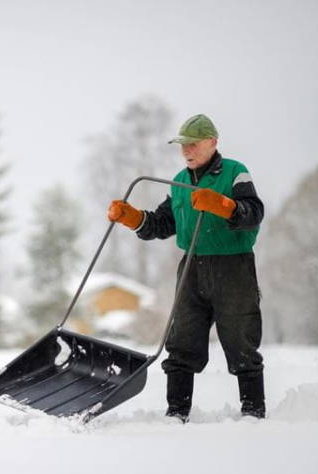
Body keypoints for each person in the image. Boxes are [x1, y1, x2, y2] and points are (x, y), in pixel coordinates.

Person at [107, 114, 265, 423]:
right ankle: (176, 413)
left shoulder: (235, 173)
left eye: (193, 144)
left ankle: (253, 411)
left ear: (212, 142)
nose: (187, 151)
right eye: (183, 146)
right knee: (181, 341)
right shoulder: (180, 181)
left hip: (233, 267)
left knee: (240, 338)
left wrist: (223, 205)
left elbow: (254, 213)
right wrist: (132, 218)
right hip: (192, 267)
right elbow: (163, 223)